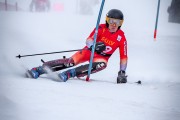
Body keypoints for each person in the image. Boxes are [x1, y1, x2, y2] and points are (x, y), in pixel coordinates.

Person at [27, 9, 128, 83]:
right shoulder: (101, 28)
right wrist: (93, 45)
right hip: (89, 51)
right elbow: (89, 40)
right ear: (107, 20)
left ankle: (68, 74)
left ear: (121, 24)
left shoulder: (121, 37)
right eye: (111, 21)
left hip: (102, 58)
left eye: (118, 22)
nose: (114, 25)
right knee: (70, 62)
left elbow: (123, 57)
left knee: (102, 64)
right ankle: (38, 70)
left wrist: (122, 72)